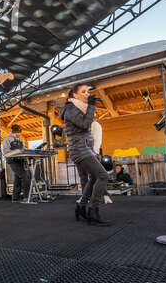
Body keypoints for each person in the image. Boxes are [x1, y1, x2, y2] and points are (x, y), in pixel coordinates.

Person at [59, 84, 110, 226]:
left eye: (88, 91)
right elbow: (85, 124)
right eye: (83, 92)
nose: (87, 93)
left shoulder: (78, 108)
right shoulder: (70, 109)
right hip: (80, 149)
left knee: (93, 177)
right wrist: (92, 106)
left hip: (83, 148)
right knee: (103, 175)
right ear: (74, 95)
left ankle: (81, 207)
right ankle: (93, 210)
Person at [2, 124, 30, 202]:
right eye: (19, 132)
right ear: (16, 131)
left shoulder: (20, 140)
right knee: (25, 176)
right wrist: (16, 152)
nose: (20, 134)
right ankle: (26, 197)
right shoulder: (7, 139)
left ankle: (15, 198)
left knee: (18, 179)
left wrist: (26, 151)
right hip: (12, 160)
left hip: (20, 160)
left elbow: (23, 149)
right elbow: (6, 151)